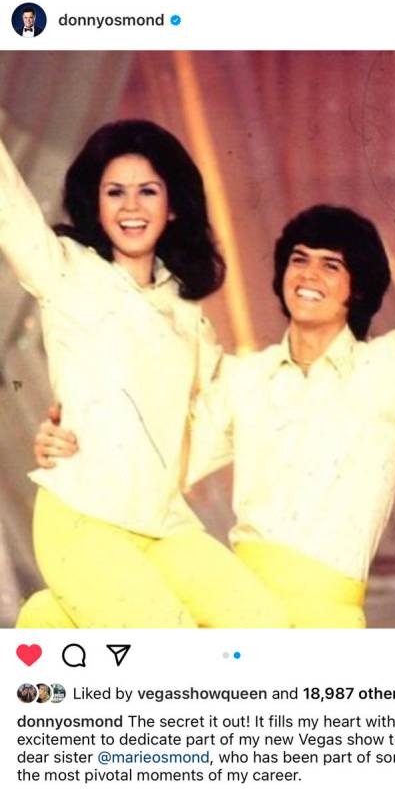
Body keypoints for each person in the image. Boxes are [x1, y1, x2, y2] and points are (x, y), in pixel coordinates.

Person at [36, 205, 395, 628]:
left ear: (359, 289)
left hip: (320, 616)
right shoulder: (245, 379)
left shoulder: (384, 370)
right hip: (232, 605)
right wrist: (71, 439)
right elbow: (161, 455)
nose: (309, 275)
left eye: (330, 265)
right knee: (46, 614)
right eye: (299, 259)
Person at [1, 120, 287, 628]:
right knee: (168, 643)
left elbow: (218, 415)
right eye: (115, 192)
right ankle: (64, 615)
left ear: (172, 206)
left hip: (163, 523)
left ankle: (53, 620)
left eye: (148, 191)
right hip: (82, 518)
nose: (131, 206)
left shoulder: (187, 312)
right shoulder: (66, 271)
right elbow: (10, 208)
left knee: (264, 624)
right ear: (96, 204)